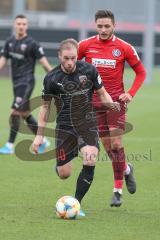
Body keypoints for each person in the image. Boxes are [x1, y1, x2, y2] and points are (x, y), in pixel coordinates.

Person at [32, 38, 120, 216]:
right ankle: (60, 165)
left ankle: (76, 204)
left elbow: (102, 93)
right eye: (66, 58)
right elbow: (45, 108)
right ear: (59, 56)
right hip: (64, 127)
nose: (70, 62)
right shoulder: (51, 78)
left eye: (73, 58)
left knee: (90, 158)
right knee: (64, 173)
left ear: (77, 56)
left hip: (87, 123)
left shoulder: (89, 70)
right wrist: (39, 135)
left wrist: (111, 105)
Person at [78, 10, 146, 207]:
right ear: (95, 25)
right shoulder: (86, 45)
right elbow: (74, 65)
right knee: (107, 147)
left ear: (114, 25)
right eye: (100, 26)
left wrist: (130, 93)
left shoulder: (124, 47)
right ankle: (126, 169)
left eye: (107, 26)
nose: (103, 30)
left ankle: (117, 190)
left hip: (116, 102)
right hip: (94, 103)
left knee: (116, 144)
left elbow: (141, 73)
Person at [0, 14, 53, 154]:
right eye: (19, 24)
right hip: (16, 83)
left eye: (24, 24)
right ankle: (43, 140)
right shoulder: (10, 42)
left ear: (27, 26)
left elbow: (44, 63)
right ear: (14, 25)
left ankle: (10, 145)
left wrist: (57, 76)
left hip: (27, 82)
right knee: (24, 113)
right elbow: (3, 59)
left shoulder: (32, 43)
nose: (21, 26)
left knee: (15, 112)